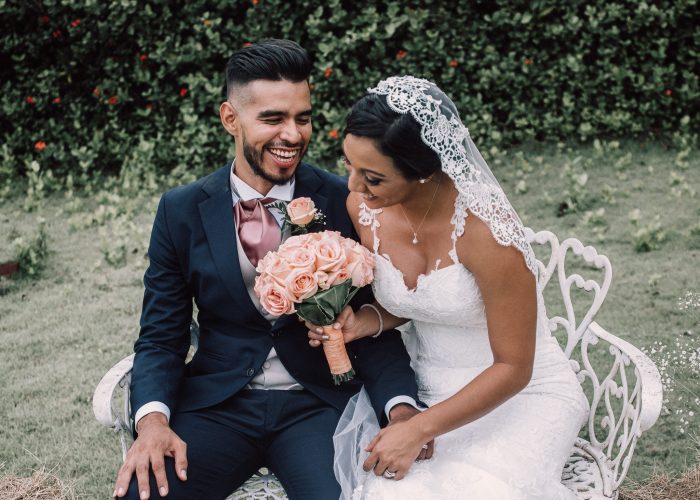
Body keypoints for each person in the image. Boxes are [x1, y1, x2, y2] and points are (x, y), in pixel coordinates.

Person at [112, 41, 424, 500]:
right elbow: (161, 335)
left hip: (318, 406)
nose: (293, 135)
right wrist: (153, 422)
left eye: (303, 118)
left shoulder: (343, 200)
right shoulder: (180, 211)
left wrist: (401, 408)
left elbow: (369, 323)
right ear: (230, 118)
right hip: (217, 407)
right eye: (273, 119)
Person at [306, 76, 589, 499]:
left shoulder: (487, 232)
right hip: (426, 388)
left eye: (373, 178)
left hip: (521, 395)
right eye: (349, 165)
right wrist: (364, 321)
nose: (353, 187)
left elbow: (514, 367)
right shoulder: (364, 210)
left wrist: (421, 428)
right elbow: (418, 301)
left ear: (423, 171)